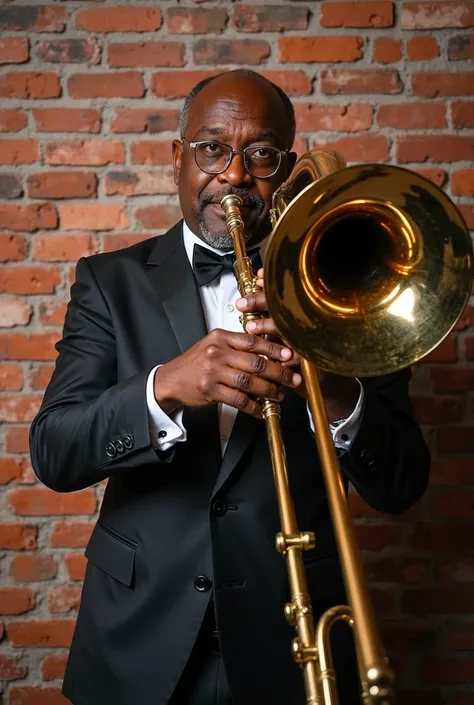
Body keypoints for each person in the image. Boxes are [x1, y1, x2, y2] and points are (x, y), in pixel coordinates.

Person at [30, 69, 430, 705]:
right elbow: (54, 451)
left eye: (262, 155)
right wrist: (165, 388)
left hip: (290, 646)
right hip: (139, 642)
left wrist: (328, 384)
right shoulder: (110, 282)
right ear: (178, 158)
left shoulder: (349, 288)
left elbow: (402, 483)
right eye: (212, 148)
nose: (236, 176)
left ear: (288, 166)